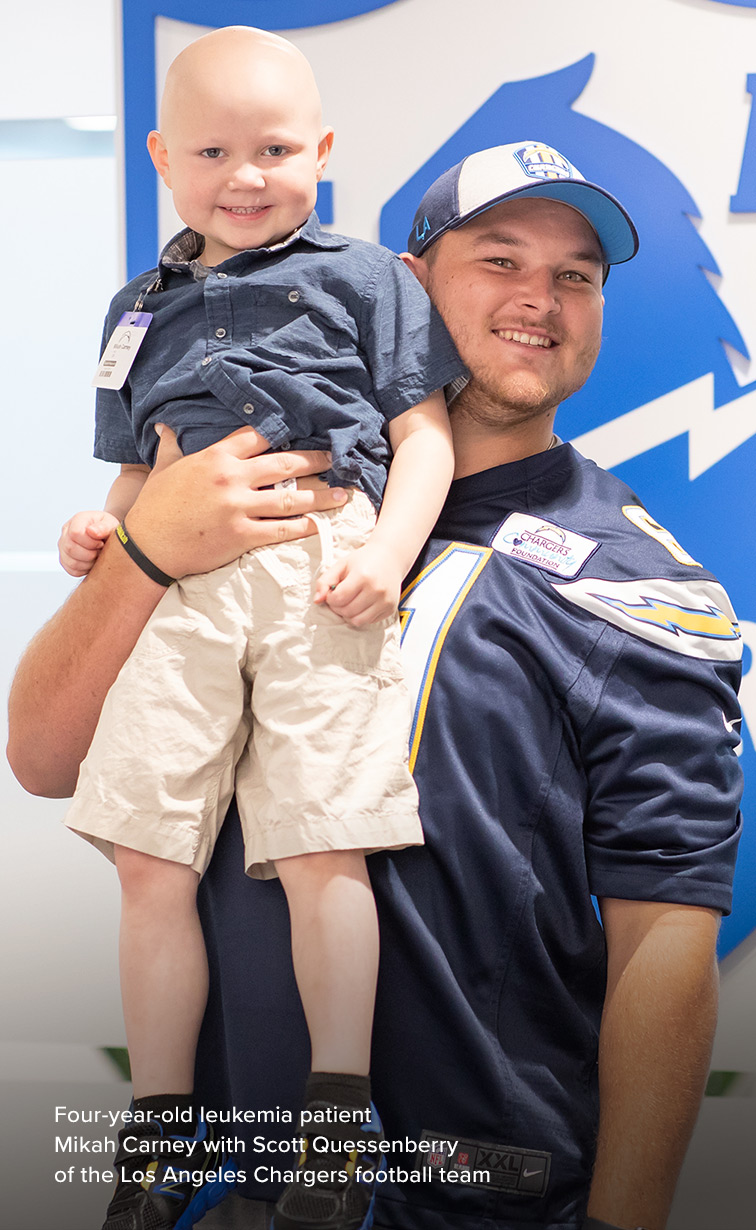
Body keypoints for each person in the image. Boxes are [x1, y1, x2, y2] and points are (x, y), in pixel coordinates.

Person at [7, 141, 743, 1230]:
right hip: (250, 1192)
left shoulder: (637, 579)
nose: (539, 299)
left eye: (575, 276)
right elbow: (43, 756)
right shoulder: (249, 494)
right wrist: (145, 550)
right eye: (499, 260)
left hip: (478, 1201)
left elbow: (666, 938)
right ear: (405, 285)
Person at [54, 25, 462, 1230]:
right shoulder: (138, 306)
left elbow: (422, 437)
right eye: (215, 149)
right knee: (147, 853)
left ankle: (335, 1121)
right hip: (174, 583)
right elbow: (141, 473)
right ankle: (165, 1127)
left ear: (323, 152)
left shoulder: (372, 278)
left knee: (322, 840)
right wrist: (102, 532)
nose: (247, 174)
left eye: (277, 147)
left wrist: (388, 555)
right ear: (162, 159)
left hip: (316, 559)